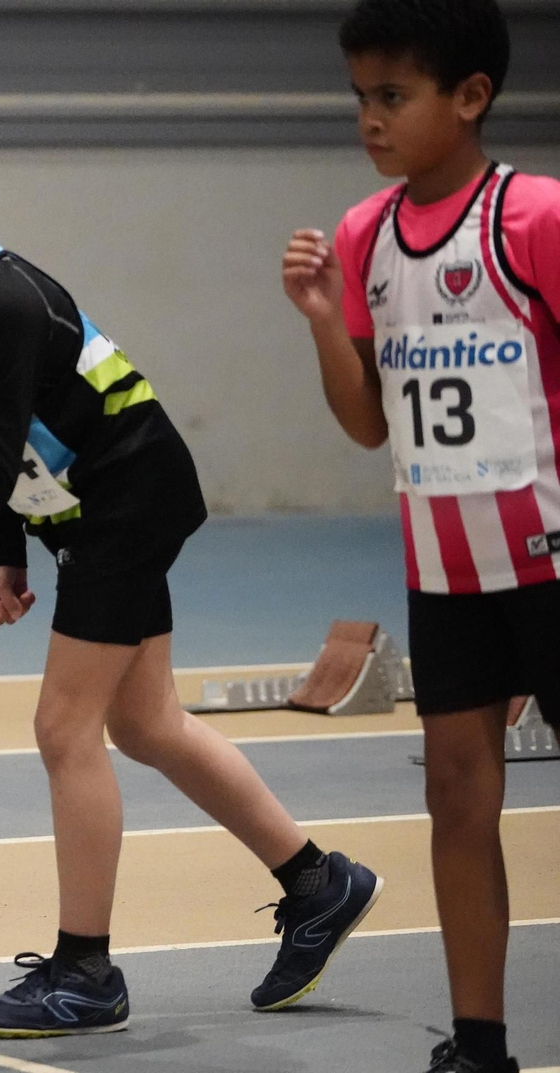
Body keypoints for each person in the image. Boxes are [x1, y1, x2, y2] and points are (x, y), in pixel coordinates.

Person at [0, 91, 381, 1037]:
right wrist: (2, 545)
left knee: (66, 727)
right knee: (145, 723)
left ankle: (85, 970)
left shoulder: (1, 300)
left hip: (130, 497)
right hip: (82, 510)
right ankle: (319, 880)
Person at [282, 1, 556, 1067]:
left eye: (391, 96)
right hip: (445, 571)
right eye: (359, 97)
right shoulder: (362, 236)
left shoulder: (533, 217)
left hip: (553, 559)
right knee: (456, 796)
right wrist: (318, 317)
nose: (369, 119)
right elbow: (366, 423)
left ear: (470, 98)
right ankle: (477, 1039)